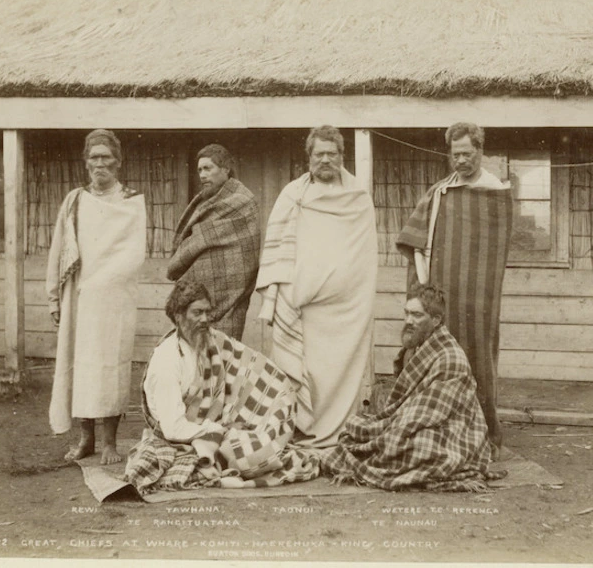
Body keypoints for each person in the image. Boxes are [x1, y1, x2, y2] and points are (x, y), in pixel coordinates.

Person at [123, 281, 319, 492]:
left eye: (207, 312)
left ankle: (218, 462)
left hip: (210, 426)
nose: (205, 319)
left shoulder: (210, 342)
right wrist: (221, 429)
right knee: (253, 455)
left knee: (263, 441)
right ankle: (215, 464)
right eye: (197, 313)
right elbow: (173, 428)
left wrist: (282, 390)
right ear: (178, 316)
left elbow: (250, 365)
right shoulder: (167, 362)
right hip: (180, 434)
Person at [256, 125, 378, 449]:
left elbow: (363, 258)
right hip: (301, 308)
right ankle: (297, 432)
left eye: (332, 153)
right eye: (319, 153)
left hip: (344, 314)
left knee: (339, 375)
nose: (325, 159)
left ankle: (336, 433)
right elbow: (277, 246)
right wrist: (288, 292)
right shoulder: (294, 195)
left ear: (342, 156)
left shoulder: (357, 198)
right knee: (296, 370)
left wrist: (346, 292)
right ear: (309, 157)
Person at [396, 122, 513, 458]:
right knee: (435, 359)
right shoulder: (439, 193)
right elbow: (416, 242)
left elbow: (492, 252)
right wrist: (424, 285)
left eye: (467, 153)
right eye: (455, 154)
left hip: (477, 300)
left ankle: (483, 436)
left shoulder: (495, 193)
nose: (461, 160)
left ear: (480, 151)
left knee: (477, 359)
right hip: (441, 296)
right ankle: (437, 433)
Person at [322, 285, 506, 491]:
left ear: (436, 320)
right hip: (425, 419)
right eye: (407, 313)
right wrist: (390, 426)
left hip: (455, 429)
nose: (409, 321)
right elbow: (412, 405)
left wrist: (391, 430)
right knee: (372, 432)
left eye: (417, 315)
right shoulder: (419, 346)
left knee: (421, 446)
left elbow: (429, 412)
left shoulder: (450, 358)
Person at [47, 129, 146, 465]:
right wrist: (55, 297)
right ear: (86, 162)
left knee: (111, 366)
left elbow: (133, 254)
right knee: (81, 367)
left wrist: (102, 283)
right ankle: (86, 439)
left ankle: (109, 443)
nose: (100, 163)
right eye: (94, 157)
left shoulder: (132, 202)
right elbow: (59, 249)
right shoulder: (75, 201)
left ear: (117, 162)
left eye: (106, 157)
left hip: (113, 299)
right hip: (79, 297)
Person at [167, 144, 260, 340]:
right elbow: (195, 239)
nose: (202, 175)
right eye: (200, 169)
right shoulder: (204, 201)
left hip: (230, 296)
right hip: (198, 296)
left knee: (221, 354)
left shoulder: (242, 201)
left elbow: (242, 252)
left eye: (208, 168)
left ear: (225, 169)